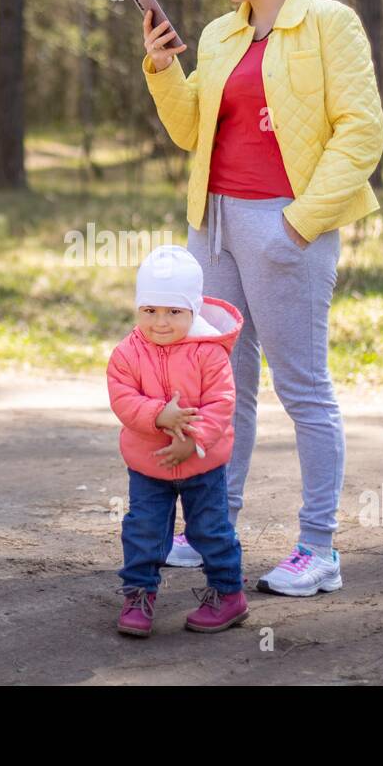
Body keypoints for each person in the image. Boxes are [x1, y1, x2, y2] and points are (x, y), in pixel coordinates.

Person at [140, 0, 383, 596]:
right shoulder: (220, 35)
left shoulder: (330, 25)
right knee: (223, 384)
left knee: (303, 386)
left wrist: (297, 223)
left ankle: (319, 549)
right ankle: (215, 525)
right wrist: (162, 69)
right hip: (211, 223)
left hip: (287, 223)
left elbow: (361, 132)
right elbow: (191, 132)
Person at [106, 244, 248, 636]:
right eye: (150, 310)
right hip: (149, 465)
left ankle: (228, 593)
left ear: (193, 311)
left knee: (210, 530)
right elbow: (122, 397)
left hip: (202, 465)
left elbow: (222, 403)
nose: (160, 322)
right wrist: (157, 416)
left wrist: (195, 439)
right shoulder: (127, 353)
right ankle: (138, 594)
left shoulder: (210, 354)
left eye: (174, 311)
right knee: (143, 530)